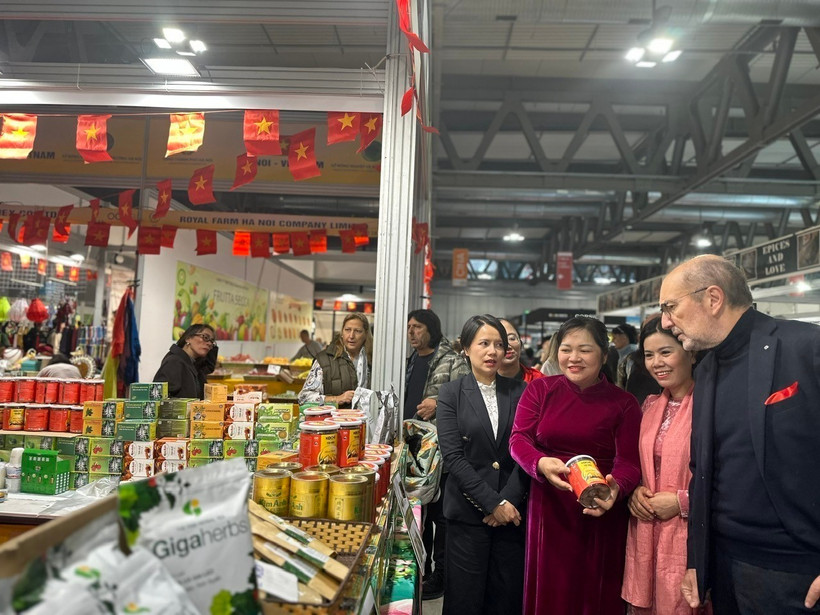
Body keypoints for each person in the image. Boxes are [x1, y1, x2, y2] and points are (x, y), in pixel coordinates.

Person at [659, 254, 820, 614]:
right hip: (725, 566)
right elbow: (704, 469)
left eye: (671, 307)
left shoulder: (806, 347)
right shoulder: (707, 368)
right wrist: (697, 560)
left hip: (797, 569)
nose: (666, 321)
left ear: (713, 299)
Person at [509, 315, 642, 615]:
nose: (574, 358)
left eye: (585, 349)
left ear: (604, 355)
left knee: (593, 594)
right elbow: (518, 440)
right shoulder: (541, 390)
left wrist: (615, 489)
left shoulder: (624, 403)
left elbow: (629, 462)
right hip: (549, 506)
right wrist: (540, 463)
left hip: (600, 509)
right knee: (550, 592)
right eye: (566, 349)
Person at [437, 314, 527, 615]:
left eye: (498, 345)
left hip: (511, 515)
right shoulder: (451, 394)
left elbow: (525, 451)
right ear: (465, 347)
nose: (492, 352)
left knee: (505, 598)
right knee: (465, 599)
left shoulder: (520, 391)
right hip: (466, 514)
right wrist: (492, 503)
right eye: (484, 343)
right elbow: (454, 457)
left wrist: (508, 501)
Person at [621, 316, 701, 615]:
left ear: (691, 353)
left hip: (689, 537)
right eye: (649, 354)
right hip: (645, 533)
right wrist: (636, 490)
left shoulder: (712, 405)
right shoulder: (650, 405)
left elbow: (735, 481)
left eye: (666, 352)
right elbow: (640, 464)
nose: (656, 363)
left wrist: (683, 502)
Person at [404, 309, 470, 599]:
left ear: (431, 329)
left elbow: (467, 398)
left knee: (441, 517)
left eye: (417, 327)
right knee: (419, 513)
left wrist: (439, 401)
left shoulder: (453, 360)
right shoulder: (407, 361)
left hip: (440, 453)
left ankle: (441, 574)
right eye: (409, 327)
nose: (411, 332)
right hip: (412, 449)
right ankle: (420, 572)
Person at [298, 313, 371, 408]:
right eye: (347, 330)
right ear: (342, 333)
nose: (351, 336)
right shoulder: (324, 360)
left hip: (366, 421)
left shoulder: (373, 361)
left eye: (358, 331)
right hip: (332, 421)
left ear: (365, 334)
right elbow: (304, 398)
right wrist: (337, 399)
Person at [153, 324, 218, 399]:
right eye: (205, 337)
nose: (209, 343)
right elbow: (160, 398)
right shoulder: (174, 362)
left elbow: (209, 367)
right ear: (188, 338)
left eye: (212, 341)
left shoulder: (194, 363)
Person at [497, 319, 544, 383]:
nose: (507, 346)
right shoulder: (481, 384)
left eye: (511, 338)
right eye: (499, 342)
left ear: (521, 344)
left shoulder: (540, 381)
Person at [612, 323, 638, 388]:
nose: (613, 341)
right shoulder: (624, 356)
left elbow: (631, 384)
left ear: (624, 337)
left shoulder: (632, 357)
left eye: (615, 337)